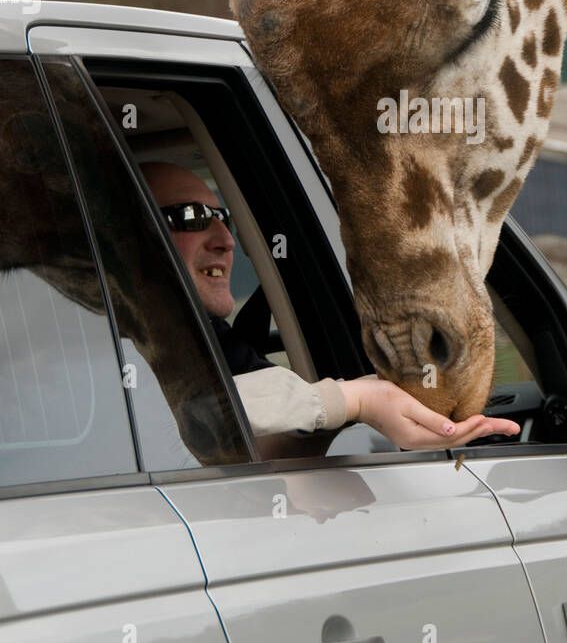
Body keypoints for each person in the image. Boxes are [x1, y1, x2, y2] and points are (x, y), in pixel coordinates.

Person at [139, 162, 519, 452]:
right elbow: (190, 418)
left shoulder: (208, 337)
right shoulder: (106, 350)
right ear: (128, 242)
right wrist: (353, 401)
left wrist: (362, 408)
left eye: (223, 219)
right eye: (192, 217)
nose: (226, 240)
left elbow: (247, 446)